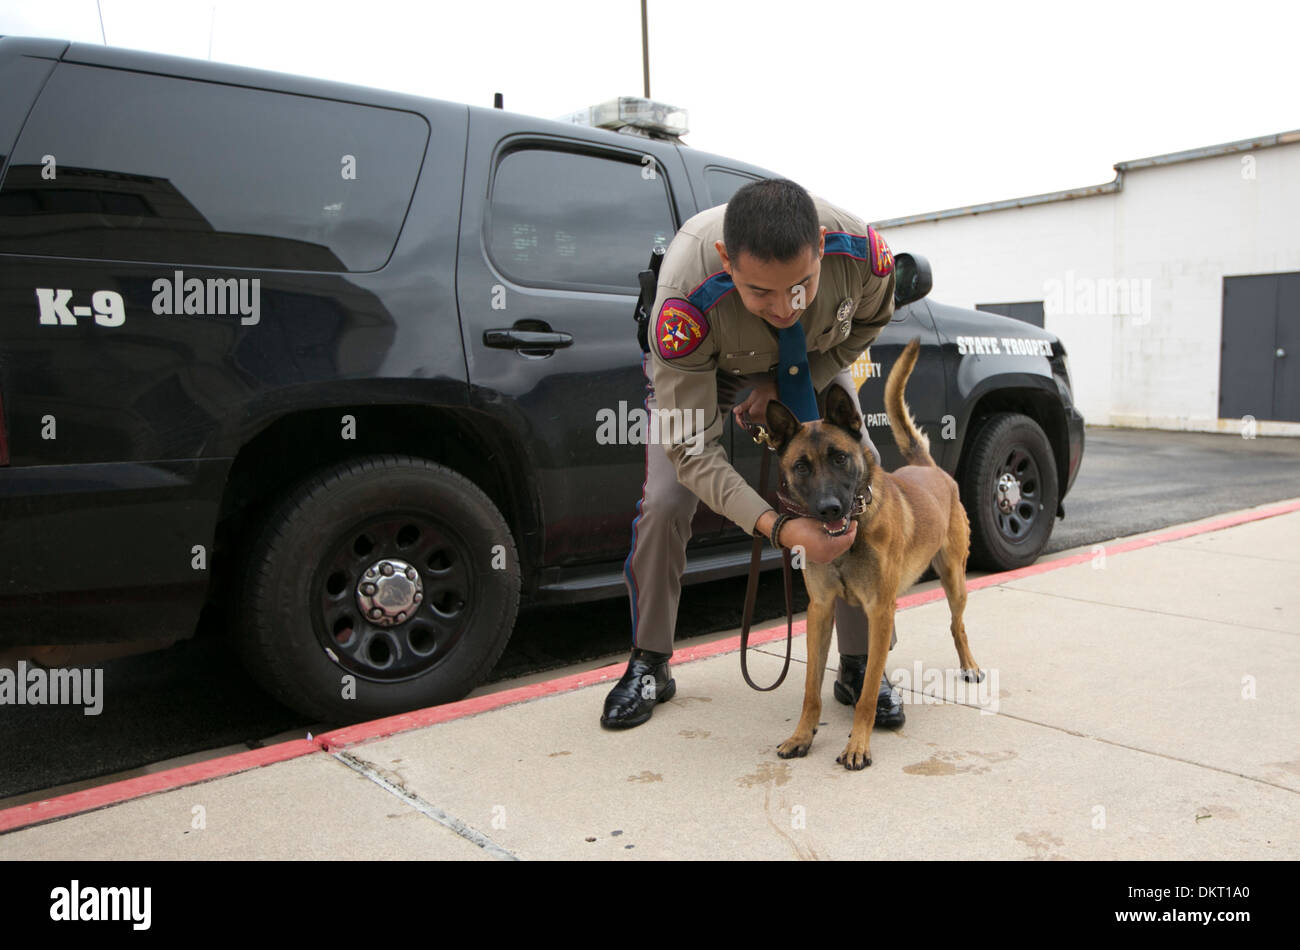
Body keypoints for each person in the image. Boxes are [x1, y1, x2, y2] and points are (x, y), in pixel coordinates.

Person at [602, 178, 905, 729]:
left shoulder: (863, 254)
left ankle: (861, 665)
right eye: (760, 292)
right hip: (708, 367)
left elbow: (870, 319)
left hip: (813, 357)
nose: (785, 306)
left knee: (857, 480)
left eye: (801, 285)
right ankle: (650, 661)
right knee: (668, 501)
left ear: (818, 245)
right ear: (726, 260)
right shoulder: (684, 300)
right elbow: (693, 451)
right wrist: (780, 529)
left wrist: (795, 379)